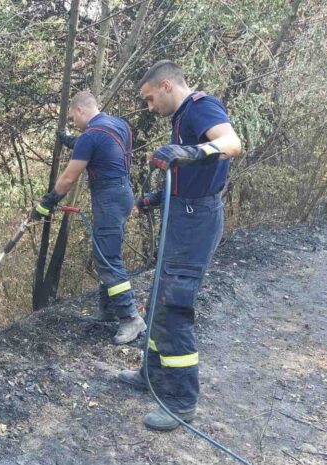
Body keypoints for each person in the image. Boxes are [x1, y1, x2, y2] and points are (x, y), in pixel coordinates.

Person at [119, 60, 242, 431]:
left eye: (150, 98)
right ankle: (152, 376)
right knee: (158, 298)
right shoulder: (181, 117)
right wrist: (156, 197)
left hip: (197, 223)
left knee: (174, 305)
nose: (149, 106)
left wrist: (189, 153)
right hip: (184, 215)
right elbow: (193, 176)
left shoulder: (202, 106)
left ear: (167, 85)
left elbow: (231, 144)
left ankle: (181, 401)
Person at [32, 90, 146, 345]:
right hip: (123, 194)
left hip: (108, 198)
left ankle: (130, 318)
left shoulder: (90, 136)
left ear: (80, 110)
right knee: (105, 251)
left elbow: (69, 178)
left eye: (73, 118)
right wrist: (73, 141)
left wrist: (47, 202)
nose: (74, 123)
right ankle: (108, 310)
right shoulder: (119, 125)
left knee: (107, 258)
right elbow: (105, 148)